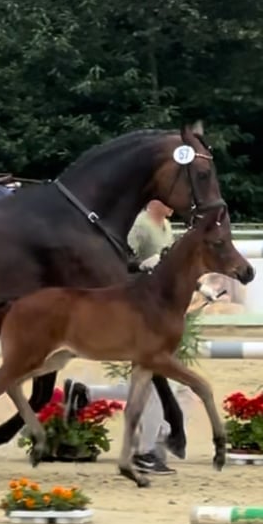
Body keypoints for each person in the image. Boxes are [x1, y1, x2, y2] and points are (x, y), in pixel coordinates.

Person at [64, 200, 196, 475]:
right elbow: (121, 264)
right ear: (154, 201)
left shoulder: (166, 225)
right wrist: (145, 265)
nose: (176, 206)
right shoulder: (140, 225)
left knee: (153, 386)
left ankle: (89, 394)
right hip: (141, 313)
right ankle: (146, 450)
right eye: (169, 201)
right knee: (157, 388)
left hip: (161, 312)